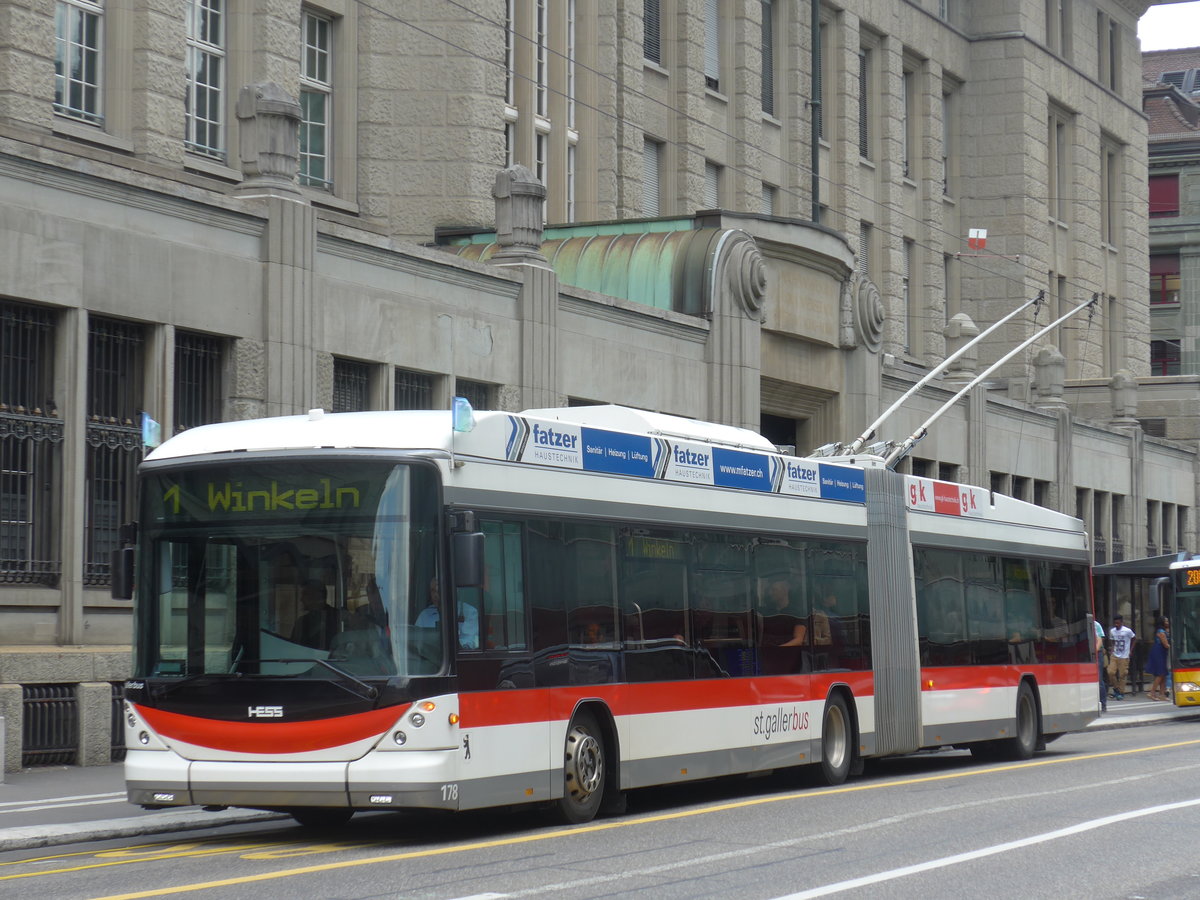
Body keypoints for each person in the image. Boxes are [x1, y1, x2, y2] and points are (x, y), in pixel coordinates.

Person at [415, 577, 480, 649]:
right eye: (433, 591)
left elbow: (471, 640)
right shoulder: (425, 615)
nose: (435, 595)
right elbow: (416, 640)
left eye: (439, 590)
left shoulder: (469, 612)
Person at [291, 579, 339, 649]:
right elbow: (294, 648)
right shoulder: (301, 622)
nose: (301, 599)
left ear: (317, 596)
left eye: (305, 594)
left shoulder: (339, 617)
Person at [760, 580, 807, 647]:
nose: (770, 593)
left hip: (787, 652)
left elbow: (798, 639)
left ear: (785, 591)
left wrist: (779, 649)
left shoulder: (797, 612)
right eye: (770, 590)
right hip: (765, 650)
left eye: (774, 590)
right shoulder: (765, 611)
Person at [1107, 614, 1136, 700]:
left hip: (1124, 655)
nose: (1116, 625)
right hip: (1115, 654)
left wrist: (1130, 650)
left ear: (1121, 623)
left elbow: (1134, 638)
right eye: (1115, 623)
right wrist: (1112, 649)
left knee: (1122, 674)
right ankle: (1116, 688)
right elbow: (1112, 641)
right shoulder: (1112, 631)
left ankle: (1121, 692)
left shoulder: (1127, 631)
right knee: (1110, 672)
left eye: (1118, 623)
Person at [1146, 615, 1171, 701]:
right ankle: (1152, 692)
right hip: (1159, 652)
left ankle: (1162, 694)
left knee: (1163, 673)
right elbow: (1165, 644)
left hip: (1162, 653)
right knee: (1160, 673)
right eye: (1166, 621)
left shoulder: (1164, 630)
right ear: (1162, 622)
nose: (1168, 622)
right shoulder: (1161, 631)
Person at [1093, 616, 1107, 712]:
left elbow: (1099, 641)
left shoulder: (1095, 624)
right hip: (1088, 654)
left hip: (1097, 654)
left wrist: (1094, 652)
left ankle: (1103, 704)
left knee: (1099, 679)